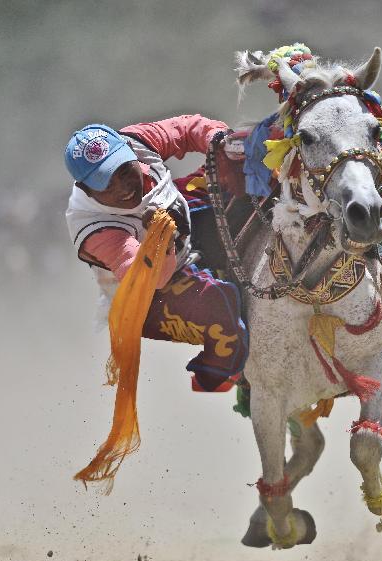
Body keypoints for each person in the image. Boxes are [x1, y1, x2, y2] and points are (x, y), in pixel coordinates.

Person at [63, 116, 249, 392]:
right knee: (219, 303)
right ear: (87, 189)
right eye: (106, 183)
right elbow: (150, 280)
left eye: (124, 170)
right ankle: (216, 375)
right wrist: (162, 237)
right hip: (148, 296)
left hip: (181, 232)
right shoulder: (94, 229)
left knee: (241, 169)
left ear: (127, 152)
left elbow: (187, 128)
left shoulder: (136, 141)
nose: (124, 186)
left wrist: (219, 139)